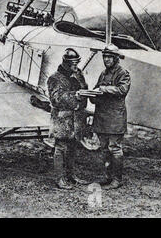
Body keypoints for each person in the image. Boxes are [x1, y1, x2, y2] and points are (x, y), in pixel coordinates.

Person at [47, 48, 90, 190]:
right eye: (73, 64)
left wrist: (84, 92)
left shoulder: (77, 74)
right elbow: (55, 99)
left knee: (73, 147)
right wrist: (75, 95)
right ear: (65, 63)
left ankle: (71, 175)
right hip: (62, 118)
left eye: (77, 63)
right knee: (60, 147)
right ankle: (60, 179)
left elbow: (84, 88)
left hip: (76, 118)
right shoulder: (54, 78)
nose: (76, 66)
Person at [90, 44, 131, 190]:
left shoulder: (123, 73)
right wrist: (91, 95)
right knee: (104, 148)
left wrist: (102, 89)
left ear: (115, 58)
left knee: (115, 148)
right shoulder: (103, 73)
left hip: (115, 117)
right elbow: (96, 89)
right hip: (102, 117)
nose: (106, 60)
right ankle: (108, 176)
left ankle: (117, 179)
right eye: (104, 57)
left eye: (109, 57)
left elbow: (122, 90)